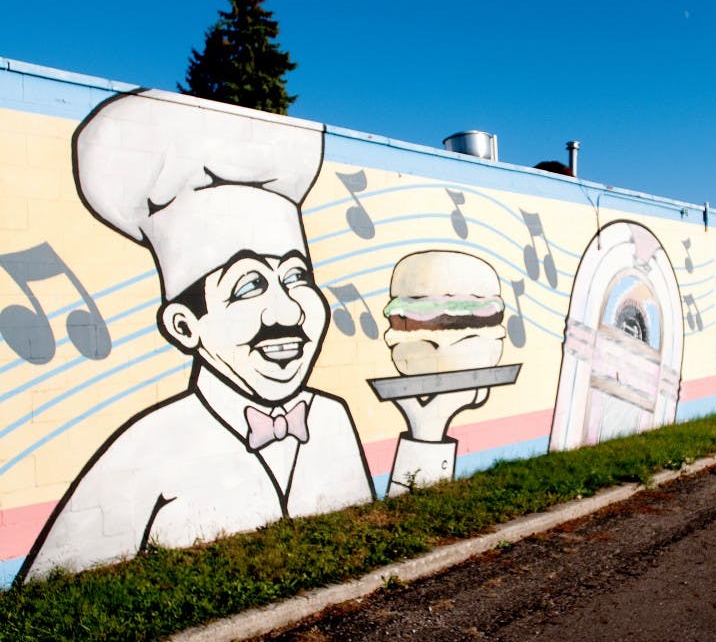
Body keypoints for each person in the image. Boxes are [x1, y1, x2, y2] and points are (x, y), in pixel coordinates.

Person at [19, 90, 458, 581]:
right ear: (185, 327)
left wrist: (427, 434)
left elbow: (385, 527)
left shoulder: (331, 417)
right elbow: (49, 582)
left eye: (296, 277)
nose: (287, 309)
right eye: (249, 285)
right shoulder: (144, 452)